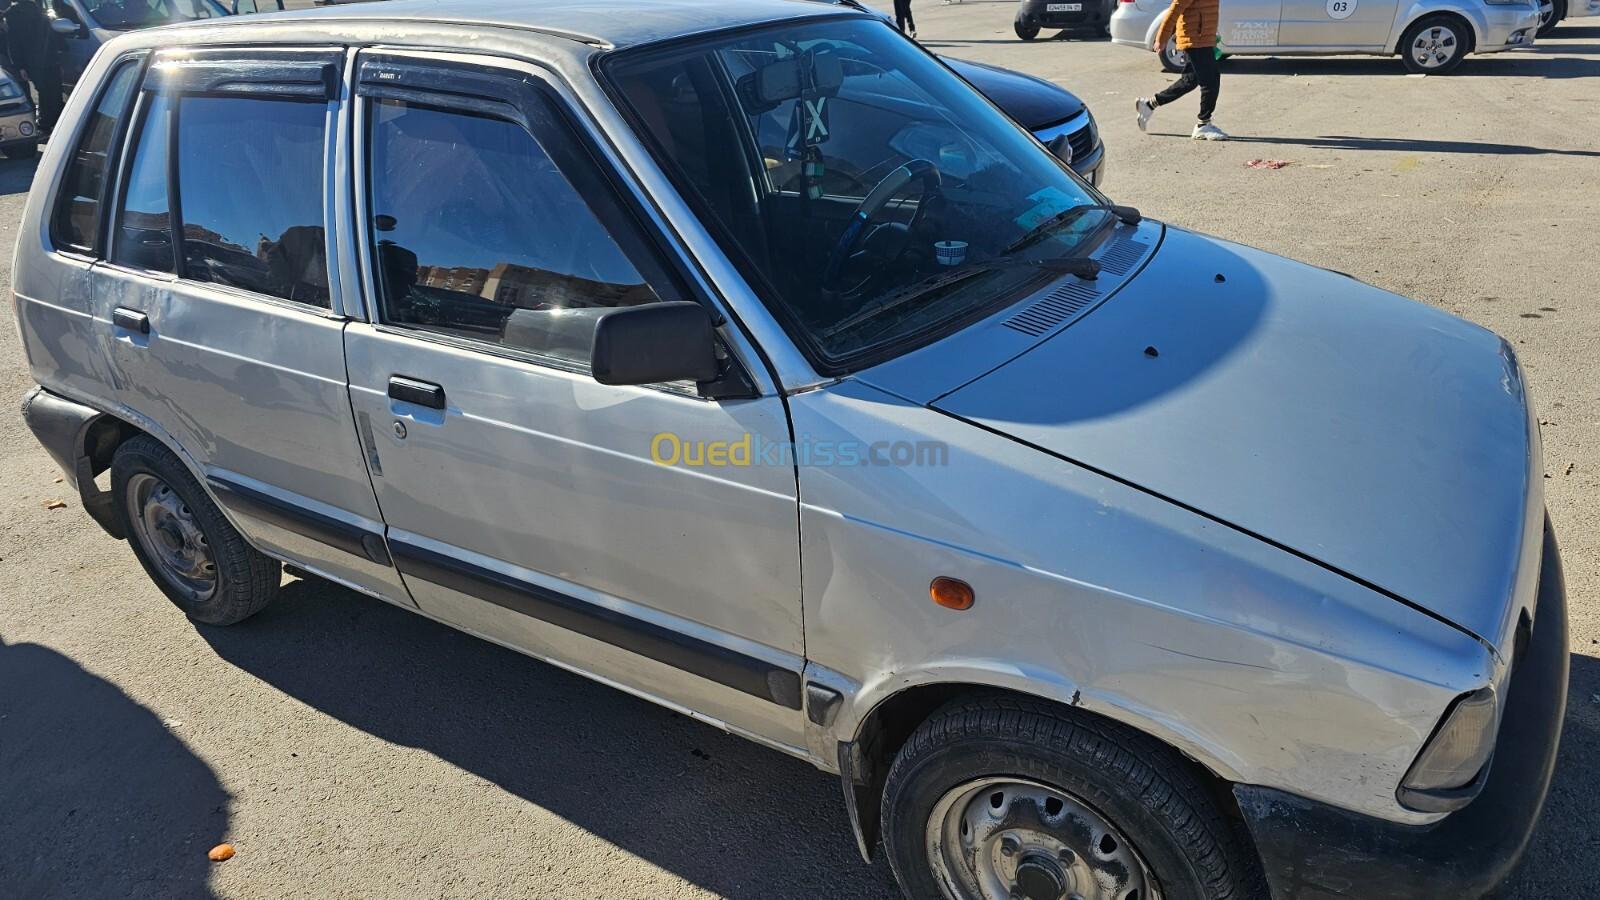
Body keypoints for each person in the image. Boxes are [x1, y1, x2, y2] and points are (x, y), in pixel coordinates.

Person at [1134, 0, 1227, 141]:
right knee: (1211, 80)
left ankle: (1149, 104)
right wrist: (1161, 38)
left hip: (1202, 38)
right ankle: (1203, 124)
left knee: (1189, 81)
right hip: (1196, 39)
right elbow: (1175, 9)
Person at [4, 0, 62, 137]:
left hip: (35, 60)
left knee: (46, 92)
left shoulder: (14, 15)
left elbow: (13, 43)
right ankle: (51, 124)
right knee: (52, 92)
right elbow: (50, 37)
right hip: (45, 58)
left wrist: (20, 66)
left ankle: (46, 125)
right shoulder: (34, 11)